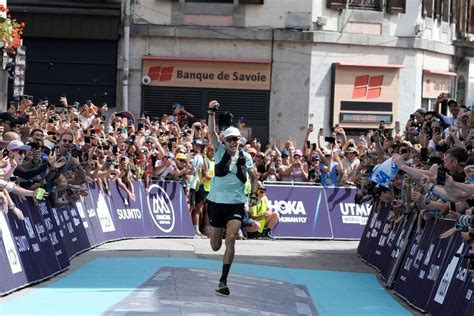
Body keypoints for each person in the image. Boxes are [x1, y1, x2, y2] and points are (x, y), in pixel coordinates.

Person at [206, 99, 257, 296]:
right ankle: (214, 235)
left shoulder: (246, 157)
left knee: (231, 239)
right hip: (216, 204)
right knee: (215, 245)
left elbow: (254, 177)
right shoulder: (218, 151)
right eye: (230, 139)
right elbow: (211, 133)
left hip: (236, 204)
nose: (234, 142)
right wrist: (211, 113)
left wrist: (253, 195)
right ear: (224, 141)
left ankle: (223, 281)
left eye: (236, 139)